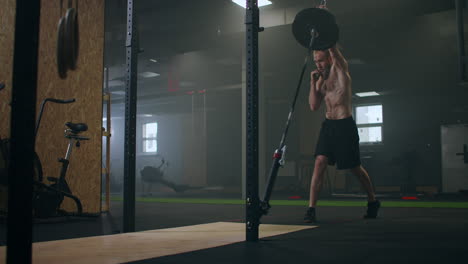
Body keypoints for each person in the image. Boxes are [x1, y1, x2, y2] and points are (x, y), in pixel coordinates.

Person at [304, 43, 380, 223]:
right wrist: (313, 82)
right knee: (319, 162)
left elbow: (333, 49)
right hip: (329, 126)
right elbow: (314, 106)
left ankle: (373, 200)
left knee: (355, 168)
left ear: (330, 58)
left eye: (321, 60)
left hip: (345, 125)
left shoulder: (340, 70)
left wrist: (325, 32)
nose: (318, 64)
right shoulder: (321, 80)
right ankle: (311, 209)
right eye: (316, 61)